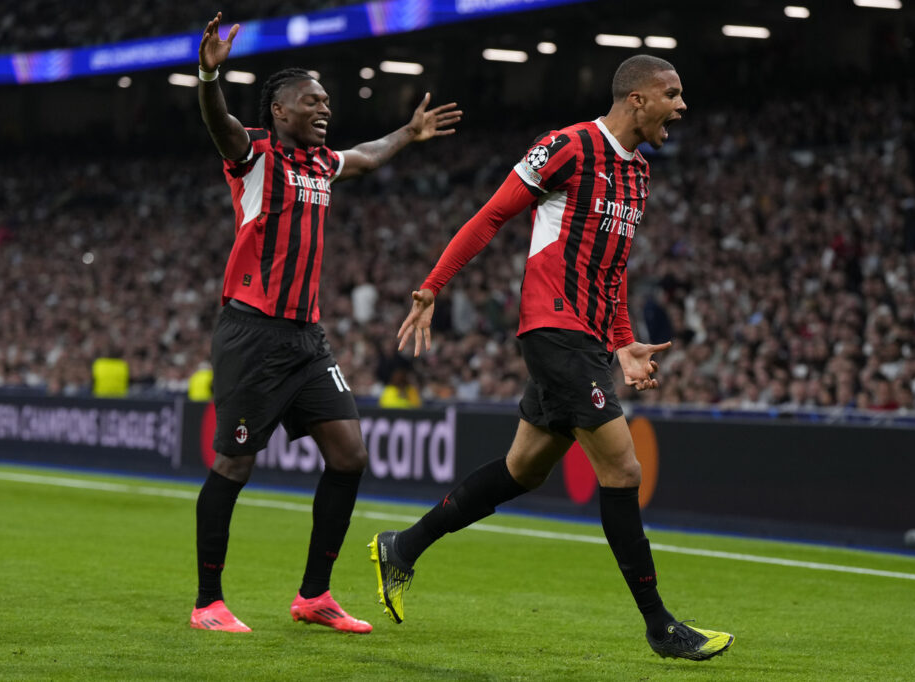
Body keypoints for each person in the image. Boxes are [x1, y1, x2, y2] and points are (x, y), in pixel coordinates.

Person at [370, 55, 733, 661]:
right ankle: (660, 626)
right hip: (553, 328)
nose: (682, 104)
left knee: (523, 470)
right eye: (671, 93)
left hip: (588, 339)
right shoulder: (566, 146)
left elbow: (613, 270)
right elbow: (492, 215)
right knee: (622, 472)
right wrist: (434, 284)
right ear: (637, 100)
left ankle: (401, 547)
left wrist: (622, 343)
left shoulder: (639, 174)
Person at [190, 12, 461, 633]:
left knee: (349, 455)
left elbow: (363, 157)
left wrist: (407, 133)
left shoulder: (320, 165)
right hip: (252, 332)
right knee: (234, 466)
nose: (324, 109)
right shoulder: (254, 155)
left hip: (306, 338)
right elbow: (218, 122)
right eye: (311, 101)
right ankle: (208, 601)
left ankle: (314, 595)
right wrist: (209, 74)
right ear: (280, 111)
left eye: (327, 102)